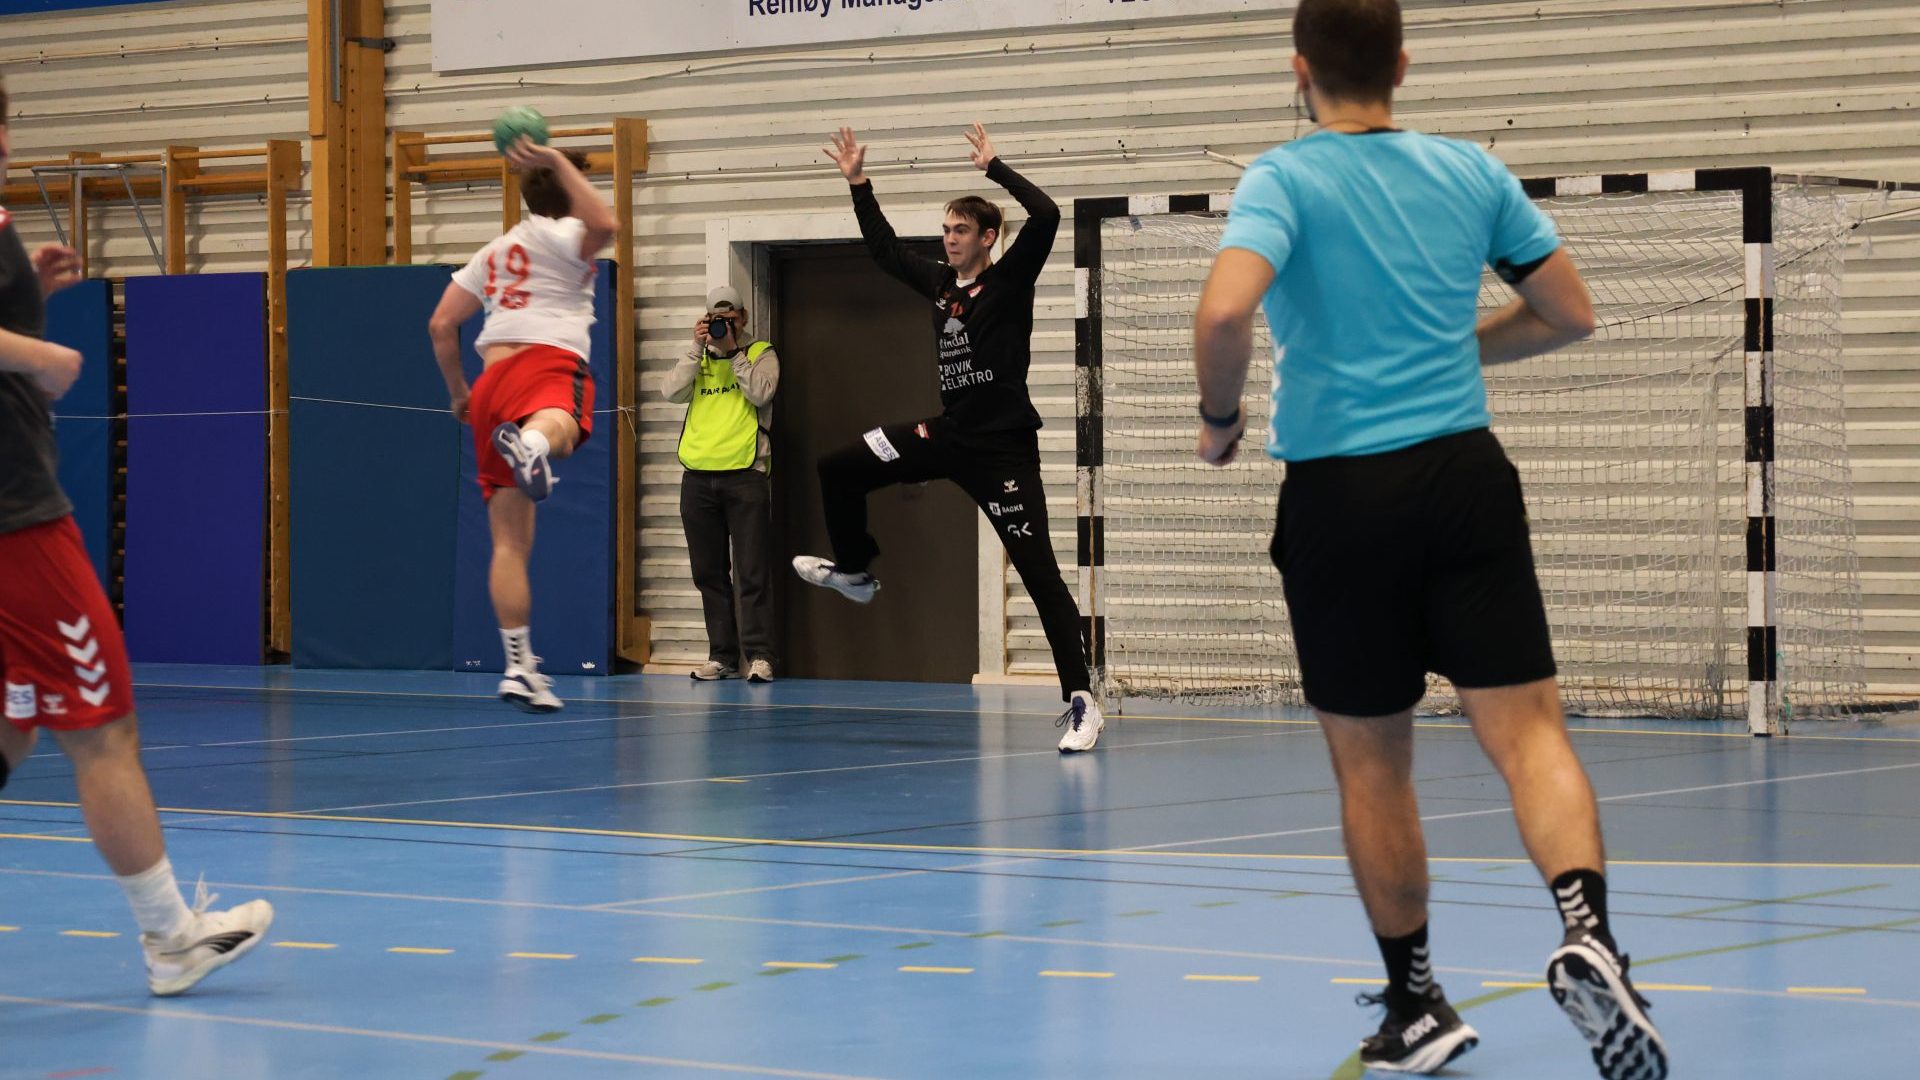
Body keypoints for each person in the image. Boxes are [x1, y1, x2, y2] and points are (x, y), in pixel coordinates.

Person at [1189, 3, 1667, 1078]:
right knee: (1529, 734)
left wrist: (1219, 421)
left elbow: (1222, 315)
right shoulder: (1470, 171)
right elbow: (1570, 311)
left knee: (1373, 763)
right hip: (1464, 479)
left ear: (1299, 70)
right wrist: (1453, 351)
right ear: (1402, 64)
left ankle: (1416, 1004)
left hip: (1340, 497)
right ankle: (1590, 932)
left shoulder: (1284, 178)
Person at [0, 71, 274, 996]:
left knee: (11, 724)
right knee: (103, 727)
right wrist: (36, 352)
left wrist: (27, 297)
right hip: (15, 523)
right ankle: (170, 937)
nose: (8, 145)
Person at [801, 123, 1105, 752]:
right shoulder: (940, 285)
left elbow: (1047, 215)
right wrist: (859, 183)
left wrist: (995, 166)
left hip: (1002, 451)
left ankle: (1082, 701)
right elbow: (885, 251)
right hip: (944, 435)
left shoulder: (1010, 280)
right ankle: (854, 572)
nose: (949, 238)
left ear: (987, 237)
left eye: (960, 230)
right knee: (839, 466)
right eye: (945, 230)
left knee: (1040, 572)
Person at [428, 140, 616, 713]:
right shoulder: (566, 233)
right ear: (569, 192)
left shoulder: (496, 249)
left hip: (490, 385)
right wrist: (555, 160)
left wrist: (460, 393)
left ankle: (518, 667)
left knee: (509, 543)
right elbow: (606, 224)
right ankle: (533, 444)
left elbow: (441, 325)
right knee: (563, 426)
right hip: (547, 361)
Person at [664, 285, 781, 683]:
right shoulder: (698, 356)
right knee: (709, 574)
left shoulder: (760, 352)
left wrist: (734, 354)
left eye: (729, 320)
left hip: (746, 475)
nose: (722, 327)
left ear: (743, 318)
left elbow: (762, 393)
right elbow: (670, 392)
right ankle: (722, 656)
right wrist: (696, 349)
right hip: (697, 477)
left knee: (752, 572)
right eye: (716, 320)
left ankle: (760, 656)